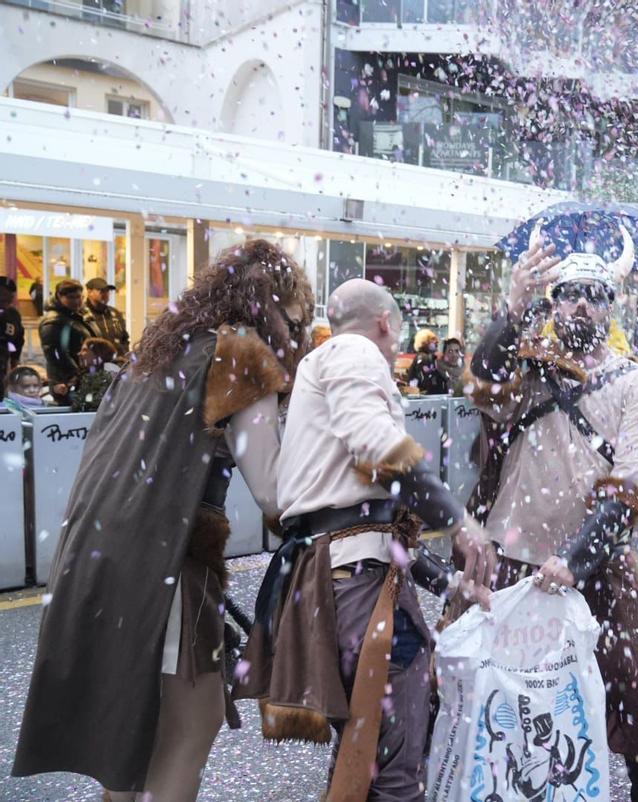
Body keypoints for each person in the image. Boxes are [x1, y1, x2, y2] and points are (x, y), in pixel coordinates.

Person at [14, 240, 313, 801]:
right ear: (271, 306)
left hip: (96, 559)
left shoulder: (161, 349)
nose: (295, 335)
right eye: (293, 320)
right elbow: (275, 493)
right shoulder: (240, 354)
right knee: (187, 729)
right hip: (166, 559)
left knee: (130, 739)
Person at [236, 278, 493, 802]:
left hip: (328, 578)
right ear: (385, 324)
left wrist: (448, 584)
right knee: (395, 763)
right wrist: (458, 519)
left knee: (364, 754)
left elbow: (371, 520)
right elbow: (377, 449)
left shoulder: (317, 366)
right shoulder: (355, 350)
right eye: (396, 335)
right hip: (353, 585)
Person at [464, 232, 638, 801]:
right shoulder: (525, 367)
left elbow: (627, 492)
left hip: (596, 571)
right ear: (552, 301)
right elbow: (481, 379)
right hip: (510, 569)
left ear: (611, 307)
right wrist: (512, 309)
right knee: (487, 708)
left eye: (594, 295)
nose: (581, 304)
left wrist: (576, 560)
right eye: (569, 294)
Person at [38, 278, 96, 404]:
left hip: (78, 377)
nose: (77, 301)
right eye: (71, 297)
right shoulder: (53, 321)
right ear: (59, 296)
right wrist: (76, 374)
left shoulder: (75, 316)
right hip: (66, 381)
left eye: (79, 297)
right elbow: (55, 354)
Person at [82, 277, 130, 356]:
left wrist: (124, 353)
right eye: (101, 291)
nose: (105, 294)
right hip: (94, 364)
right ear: (89, 292)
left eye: (107, 291)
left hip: (117, 363)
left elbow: (125, 338)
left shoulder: (115, 313)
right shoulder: (82, 314)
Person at [70, 336, 120, 412]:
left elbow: (98, 403)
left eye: (84, 350)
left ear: (98, 353)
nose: (79, 354)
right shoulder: (85, 375)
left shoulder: (112, 373)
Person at [403, 327, 450, 395]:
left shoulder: (429, 357)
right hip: (424, 397)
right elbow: (426, 381)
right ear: (425, 342)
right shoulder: (423, 358)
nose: (437, 341)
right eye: (433, 339)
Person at [0, 276, 23, 390]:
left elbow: (18, 338)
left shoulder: (13, 314)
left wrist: (15, 358)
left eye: (11, 295)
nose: (8, 299)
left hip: (3, 362)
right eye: (3, 294)